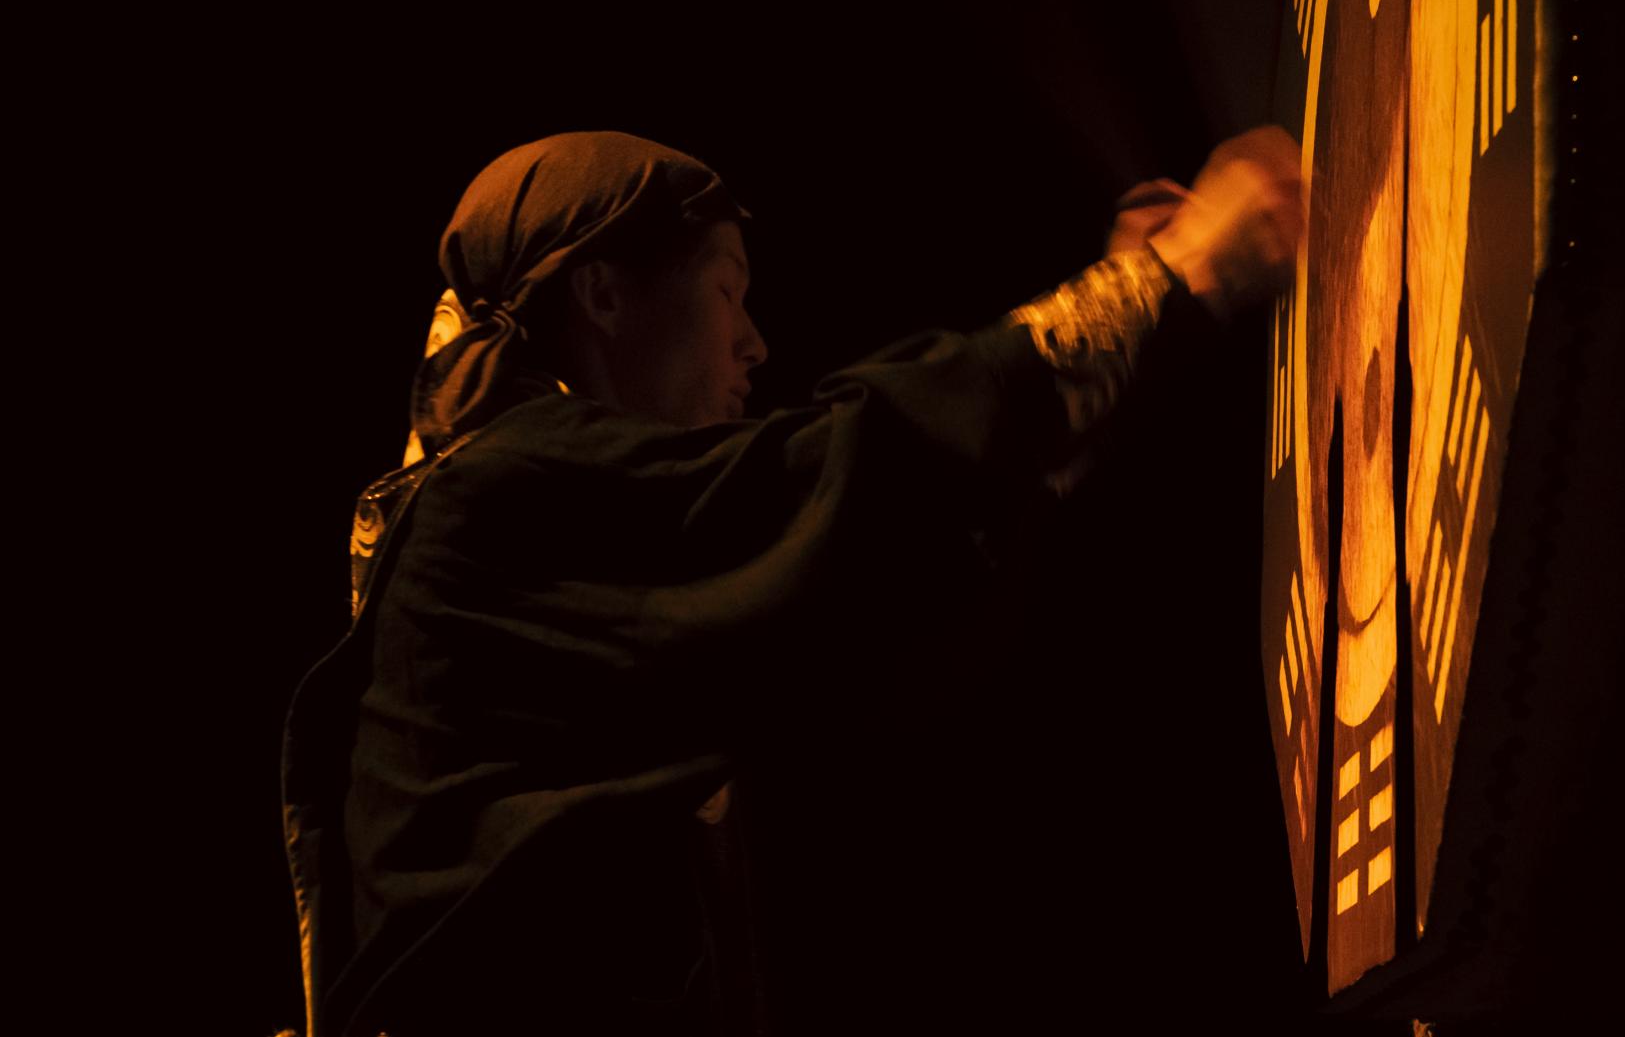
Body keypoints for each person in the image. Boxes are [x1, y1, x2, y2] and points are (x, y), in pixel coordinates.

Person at [280, 127, 1303, 1037]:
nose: (754, 342)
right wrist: (1177, 274)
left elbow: (877, 605)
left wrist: (1122, 333)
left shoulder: (555, 539)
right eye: (726, 290)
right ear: (604, 295)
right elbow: (855, 481)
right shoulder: (502, 498)